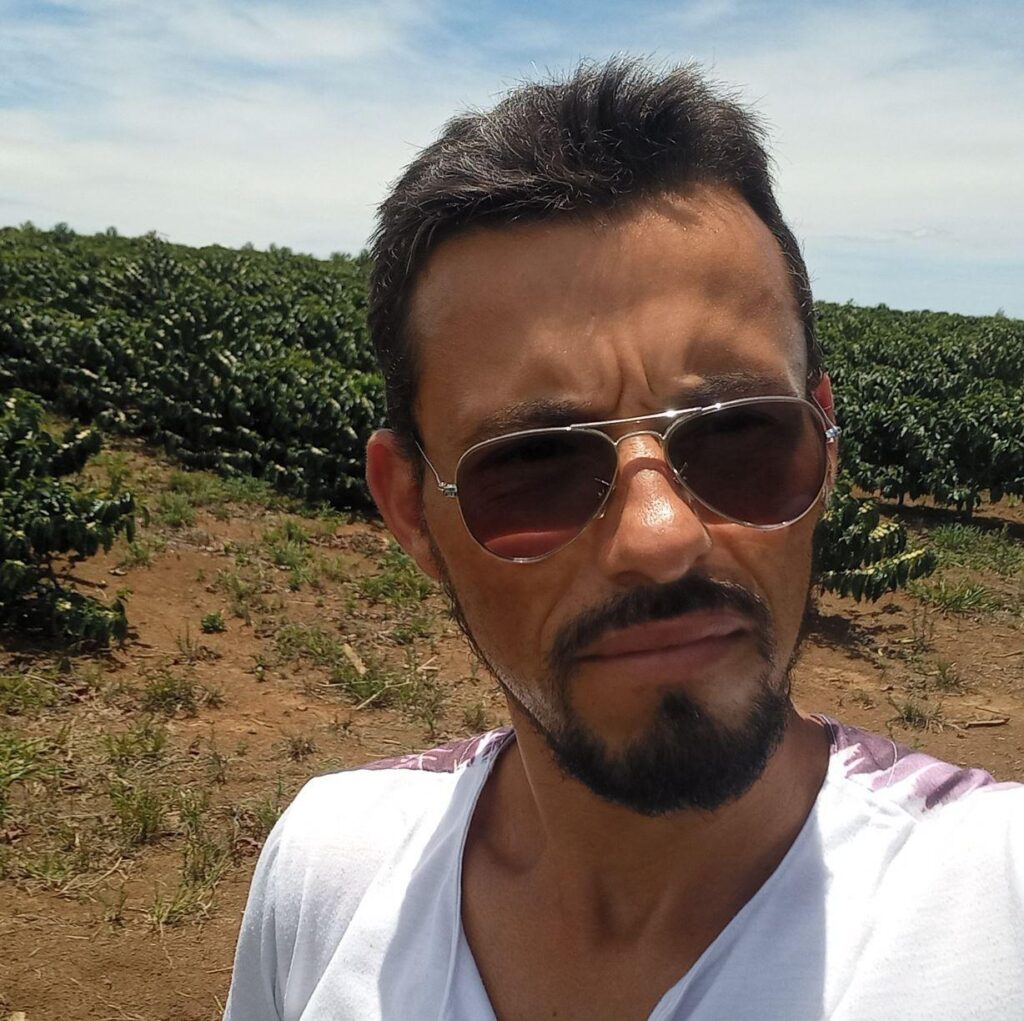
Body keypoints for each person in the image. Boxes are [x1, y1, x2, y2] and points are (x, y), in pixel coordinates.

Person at [224, 60, 1023, 1021]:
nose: (660, 536)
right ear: (409, 509)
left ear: (825, 443)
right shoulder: (328, 873)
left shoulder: (995, 902)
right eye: (535, 464)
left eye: (742, 436)